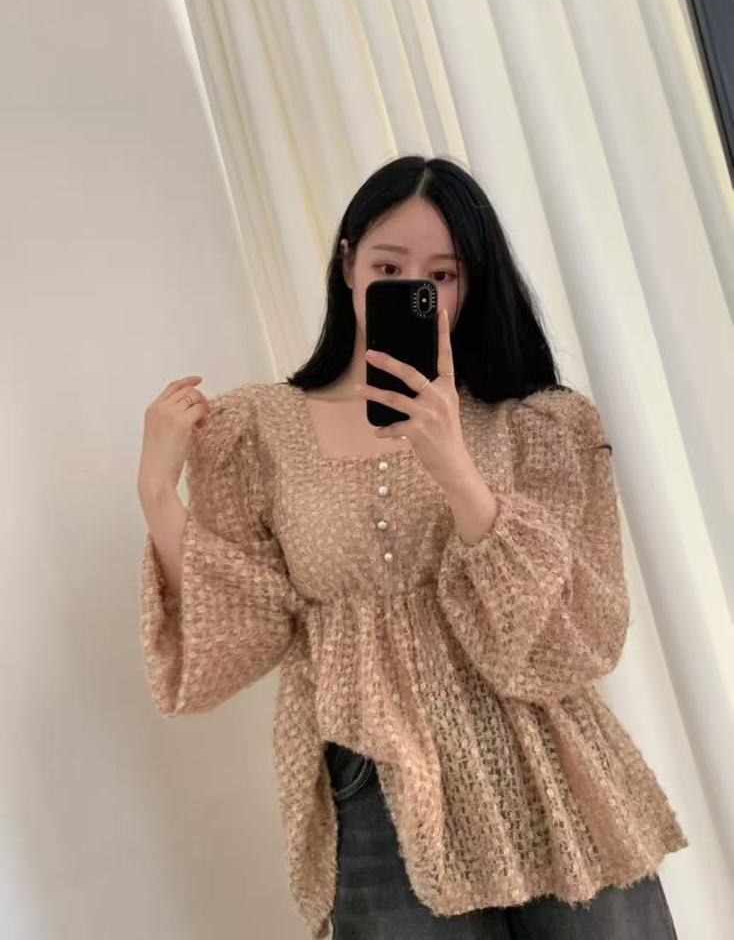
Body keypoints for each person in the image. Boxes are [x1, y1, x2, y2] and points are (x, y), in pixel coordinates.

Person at [137, 155, 687, 939]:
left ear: (472, 283)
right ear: (348, 264)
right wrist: (159, 495)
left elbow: (579, 636)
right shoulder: (257, 431)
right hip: (375, 783)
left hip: (548, 770)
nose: (412, 288)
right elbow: (241, 631)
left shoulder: (539, 425)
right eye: (388, 267)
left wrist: (454, 464)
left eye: (442, 275)